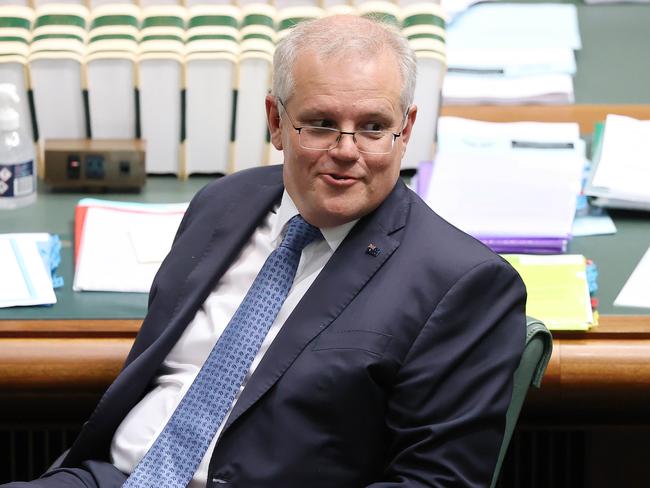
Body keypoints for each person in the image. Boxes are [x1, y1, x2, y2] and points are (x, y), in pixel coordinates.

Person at [5, 14, 526, 488]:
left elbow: (434, 484)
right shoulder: (224, 204)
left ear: (405, 129)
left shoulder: (464, 284)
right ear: (275, 121)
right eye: (320, 123)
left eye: (372, 127)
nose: (346, 151)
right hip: (110, 476)